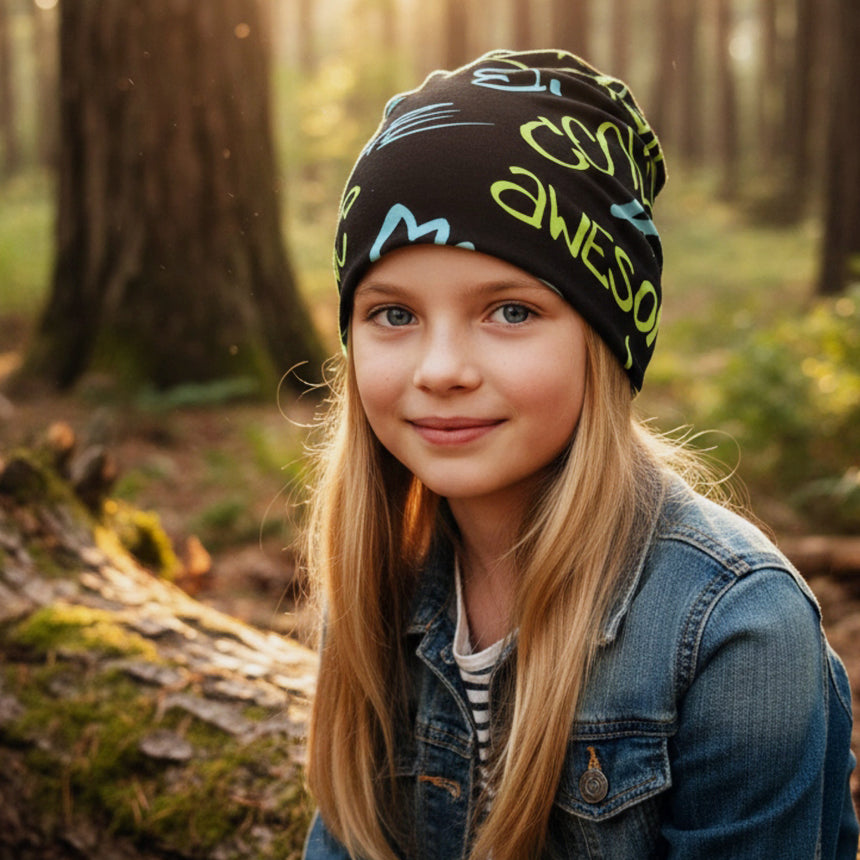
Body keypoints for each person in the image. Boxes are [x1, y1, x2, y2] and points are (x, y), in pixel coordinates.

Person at [301, 49, 859, 860]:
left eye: (511, 311)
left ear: (605, 338)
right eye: (393, 314)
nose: (441, 369)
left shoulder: (736, 633)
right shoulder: (373, 579)